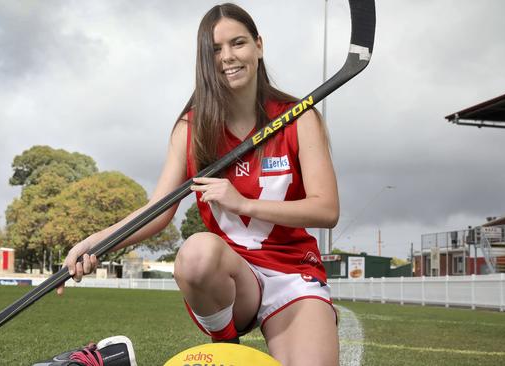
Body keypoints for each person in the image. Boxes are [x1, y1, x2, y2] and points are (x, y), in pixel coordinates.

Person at [58, 3, 340, 365]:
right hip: (231, 279)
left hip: (292, 272)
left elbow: (326, 208)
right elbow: (158, 211)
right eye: (215, 50)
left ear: (259, 45)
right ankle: (228, 350)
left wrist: (244, 203)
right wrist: (95, 242)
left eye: (238, 43)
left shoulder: (299, 117)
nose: (228, 57)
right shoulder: (191, 129)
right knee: (195, 254)